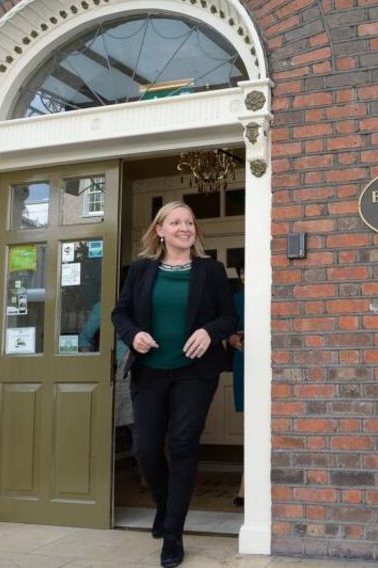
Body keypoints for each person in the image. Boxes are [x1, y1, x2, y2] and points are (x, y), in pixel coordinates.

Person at [111, 201, 236, 568]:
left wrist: (208, 331)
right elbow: (121, 313)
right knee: (146, 449)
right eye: (176, 222)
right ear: (160, 230)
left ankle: (173, 534)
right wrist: (133, 335)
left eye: (190, 222)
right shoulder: (141, 270)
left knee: (182, 445)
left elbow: (229, 317)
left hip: (193, 374)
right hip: (149, 371)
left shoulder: (210, 270)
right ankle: (165, 508)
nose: (185, 227)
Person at [227, 267, 245, 506]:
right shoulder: (236, 300)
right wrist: (235, 339)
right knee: (250, 423)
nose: (245, 276)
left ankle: (246, 484)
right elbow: (228, 334)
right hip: (244, 359)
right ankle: (246, 482)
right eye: (243, 272)